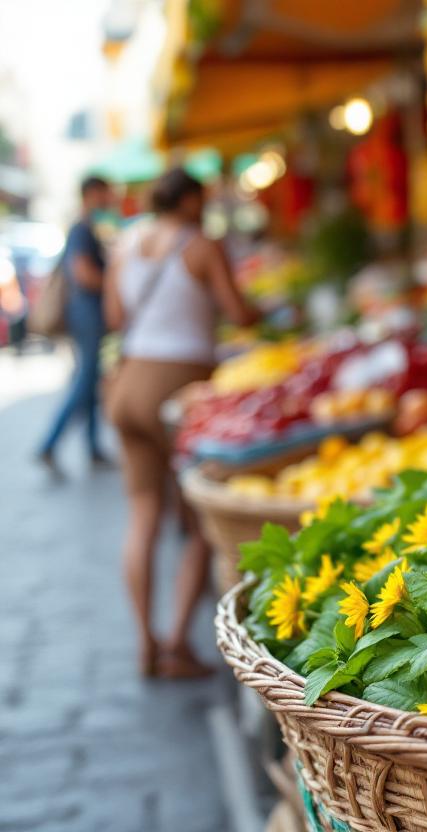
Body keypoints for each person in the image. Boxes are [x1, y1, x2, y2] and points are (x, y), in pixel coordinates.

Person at [103, 168, 259, 678]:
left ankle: (145, 640)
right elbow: (237, 311)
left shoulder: (126, 243)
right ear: (190, 201)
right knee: (197, 523)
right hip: (177, 390)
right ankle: (176, 645)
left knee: (142, 514)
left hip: (127, 383)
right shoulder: (201, 244)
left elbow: (114, 316)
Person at [37, 176, 113, 471]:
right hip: (86, 313)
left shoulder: (86, 228)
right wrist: (116, 283)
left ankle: (92, 446)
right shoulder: (81, 229)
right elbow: (83, 274)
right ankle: (50, 443)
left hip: (87, 313)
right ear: (92, 194)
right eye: (105, 193)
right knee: (85, 381)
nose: (109, 199)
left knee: (90, 381)